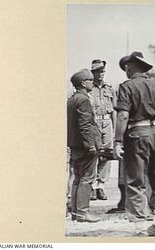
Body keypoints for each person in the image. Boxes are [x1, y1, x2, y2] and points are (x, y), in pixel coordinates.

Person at [113, 51, 155, 236]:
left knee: (136, 179)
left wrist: (117, 141)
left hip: (138, 134)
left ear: (131, 67)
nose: (125, 70)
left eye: (126, 67)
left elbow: (123, 115)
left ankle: (140, 227)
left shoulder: (127, 86)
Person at [67, 69, 102, 222]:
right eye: (89, 80)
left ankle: (76, 212)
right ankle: (82, 213)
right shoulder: (84, 100)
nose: (92, 82)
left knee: (77, 178)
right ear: (83, 83)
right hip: (85, 146)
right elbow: (85, 125)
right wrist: (91, 146)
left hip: (75, 145)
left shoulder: (72, 99)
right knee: (87, 178)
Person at [90, 59, 116, 201]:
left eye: (102, 71)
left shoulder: (109, 88)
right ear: (92, 73)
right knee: (94, 153)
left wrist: (116, 127)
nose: (100, 74)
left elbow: (115, 110)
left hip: (107, 122)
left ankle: (101, 186)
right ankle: (92, 186)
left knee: (107, 154)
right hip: (95, 122)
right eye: (97, 71)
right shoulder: (89, 88)